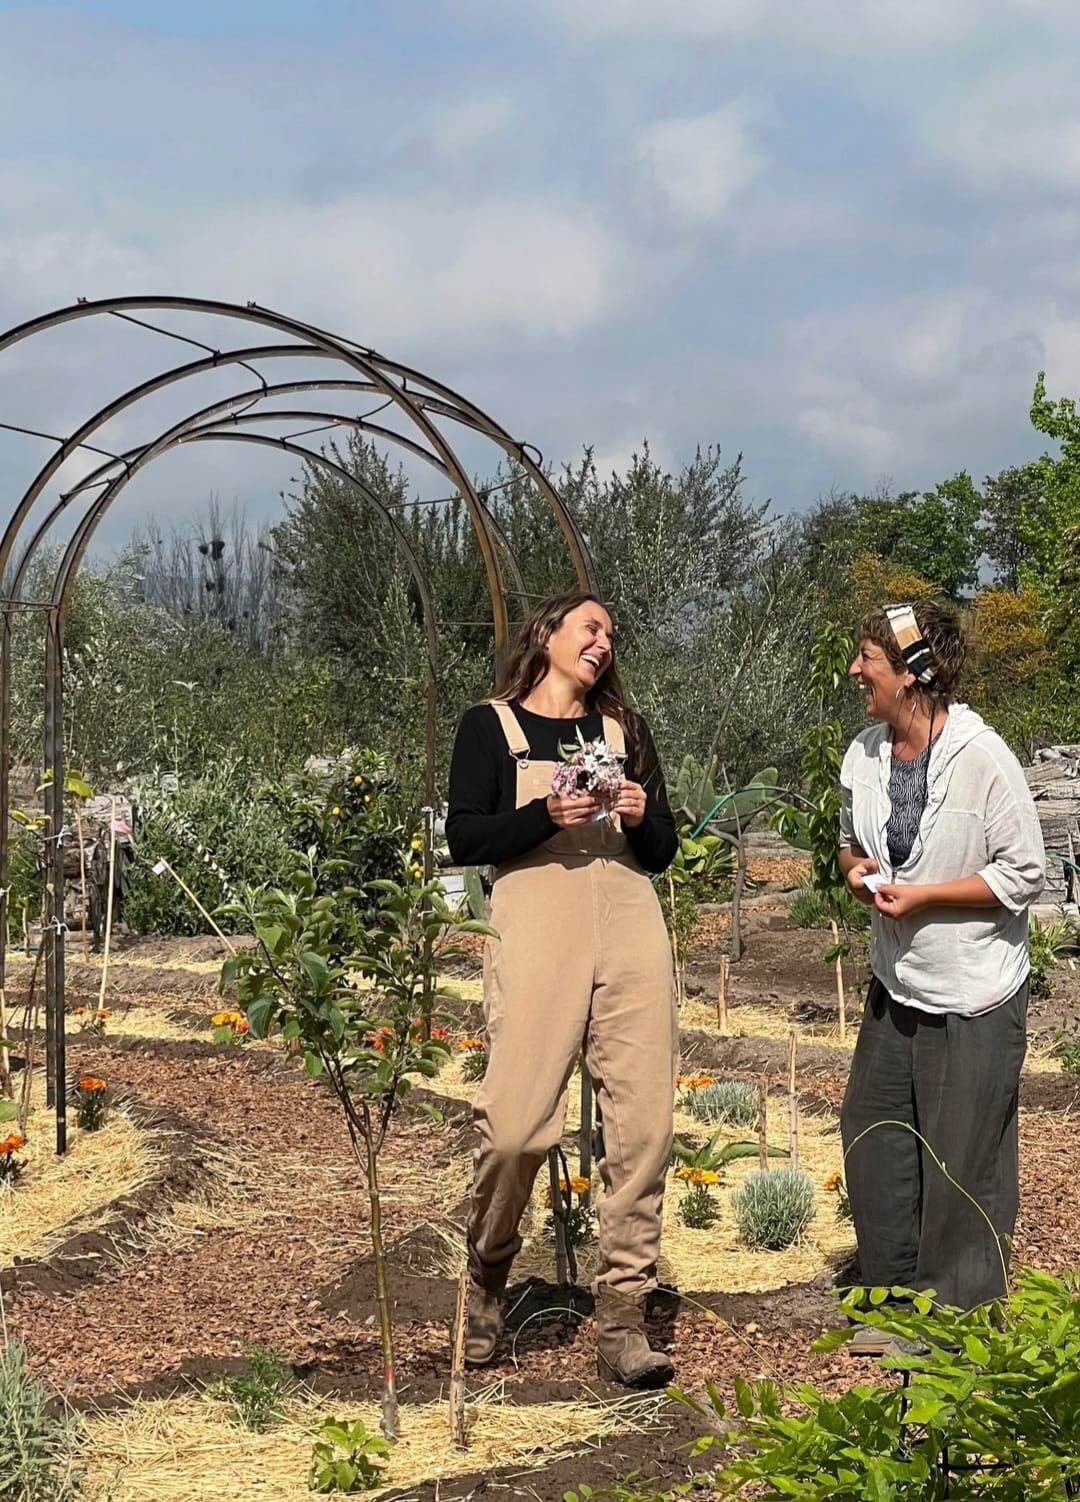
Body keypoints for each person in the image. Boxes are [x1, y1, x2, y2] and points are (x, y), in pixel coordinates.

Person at [446, 592, 679, 1388]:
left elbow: (663, 851)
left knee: (643, 1121)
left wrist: (644, 815)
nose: (604, 641)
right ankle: (486, 1273)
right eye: (591, 626)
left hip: (627, 911)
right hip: (535, 910)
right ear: (546, 635)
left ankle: (623, 1311)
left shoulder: (623, 732)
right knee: (516, 1126)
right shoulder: (491, 728)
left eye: (612, 632)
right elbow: (465, 835)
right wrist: (544, 813)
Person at [838, 601, 1045, 1345]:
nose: (856, 669)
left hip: (974, 990)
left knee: (964, 1150)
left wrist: (926, 896)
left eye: (869, 656)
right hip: (896, 983)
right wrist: (855, 869)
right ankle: (892, 1296)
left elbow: (1025, 873)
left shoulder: (983, 759)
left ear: (914, 674)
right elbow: (845, 843)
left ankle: (953, 1317)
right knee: (875, 1131)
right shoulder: (863, 753)